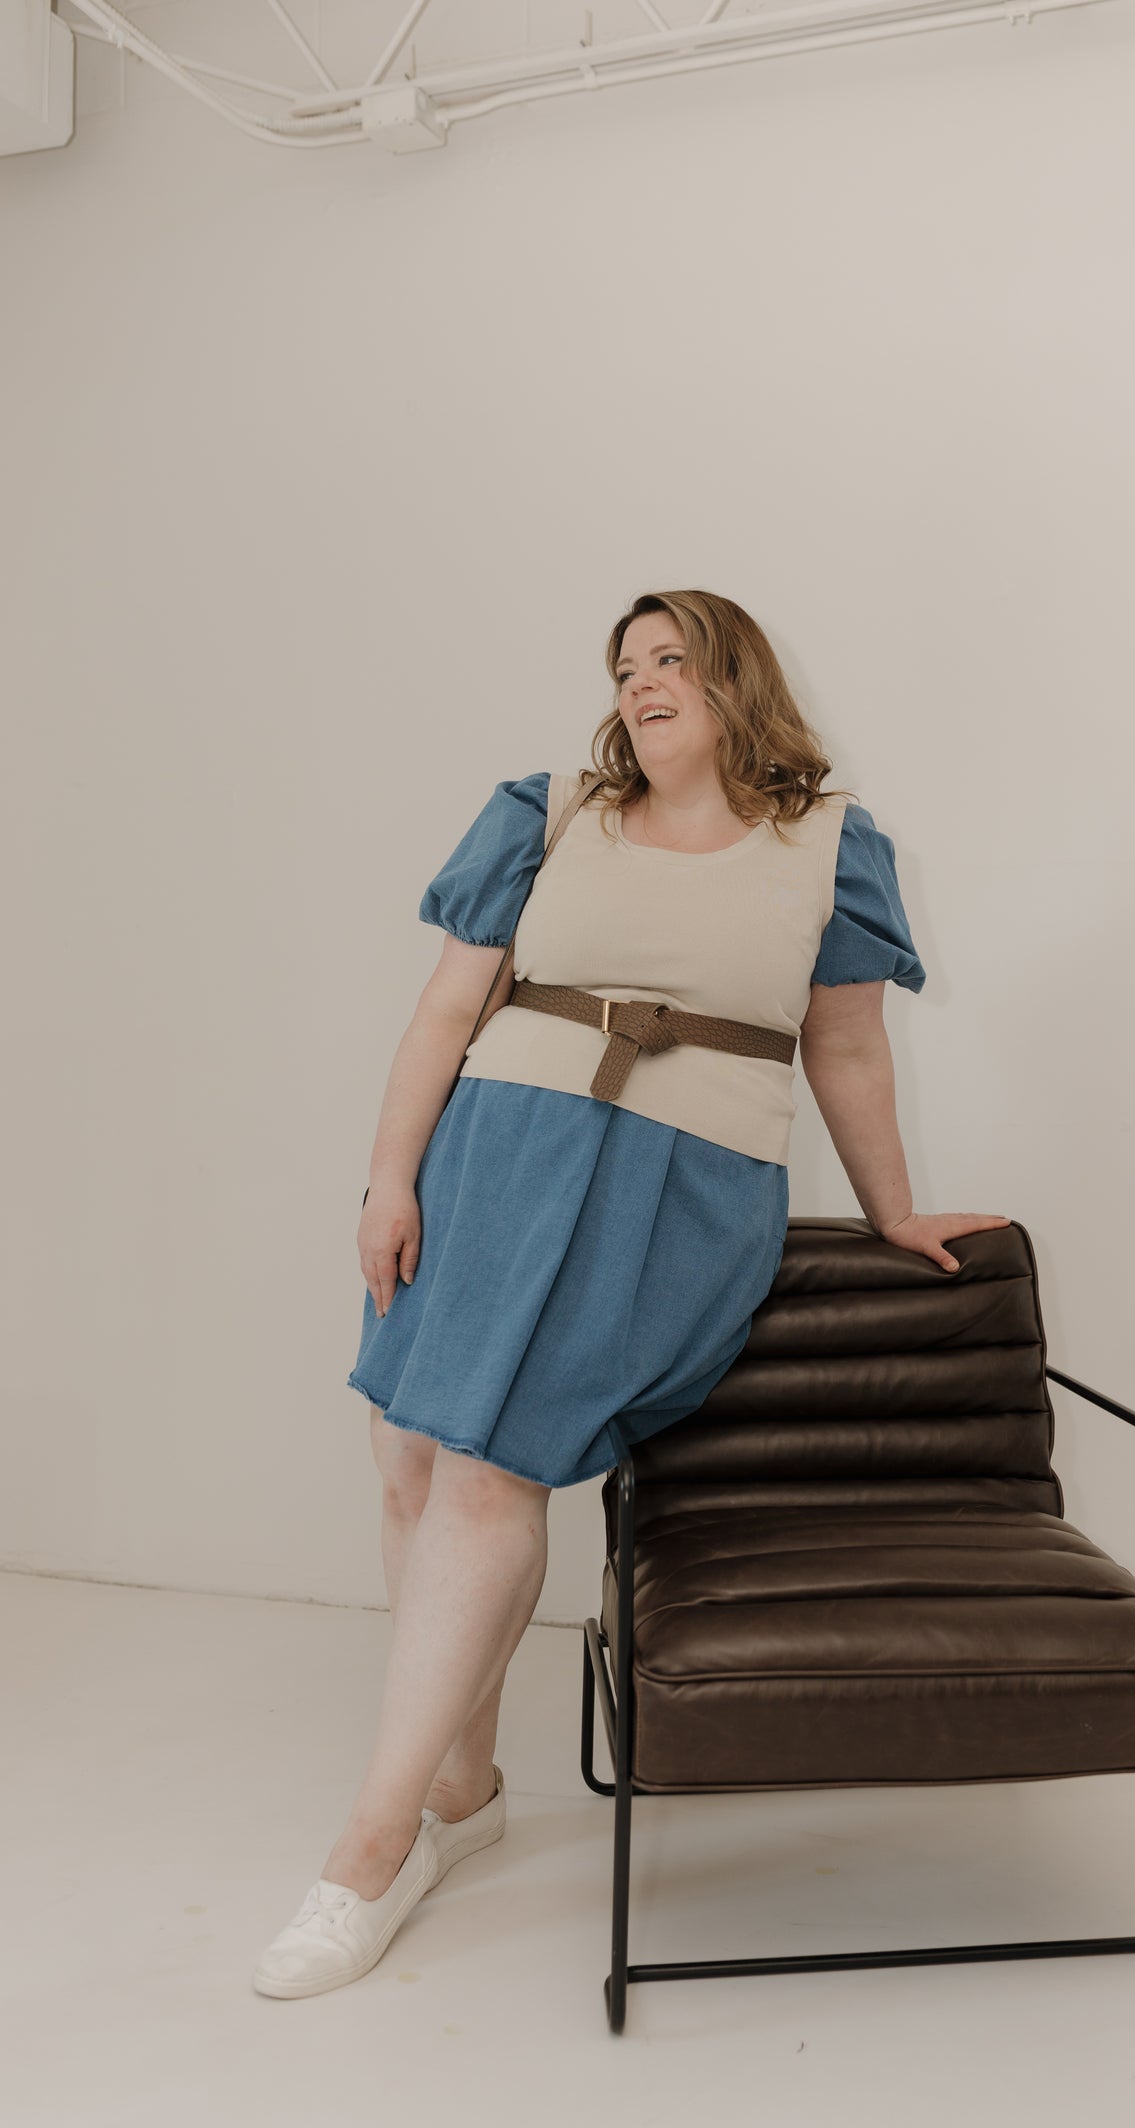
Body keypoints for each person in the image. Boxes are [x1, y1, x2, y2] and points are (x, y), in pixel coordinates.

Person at [252, 588, 1010, 1998]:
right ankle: (462, 1790)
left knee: (490, 1471)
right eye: (623, 666)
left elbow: (846, 1048)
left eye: (671, 659)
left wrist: (893, 1211)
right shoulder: (544, 816)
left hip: (677, 1192)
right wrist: (388, 1181)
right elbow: (444, 1011)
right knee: (410, 1460)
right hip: (493, 1157)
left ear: (735, 680)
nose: (641, 682)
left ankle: (371, 1849)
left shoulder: (832, 845)